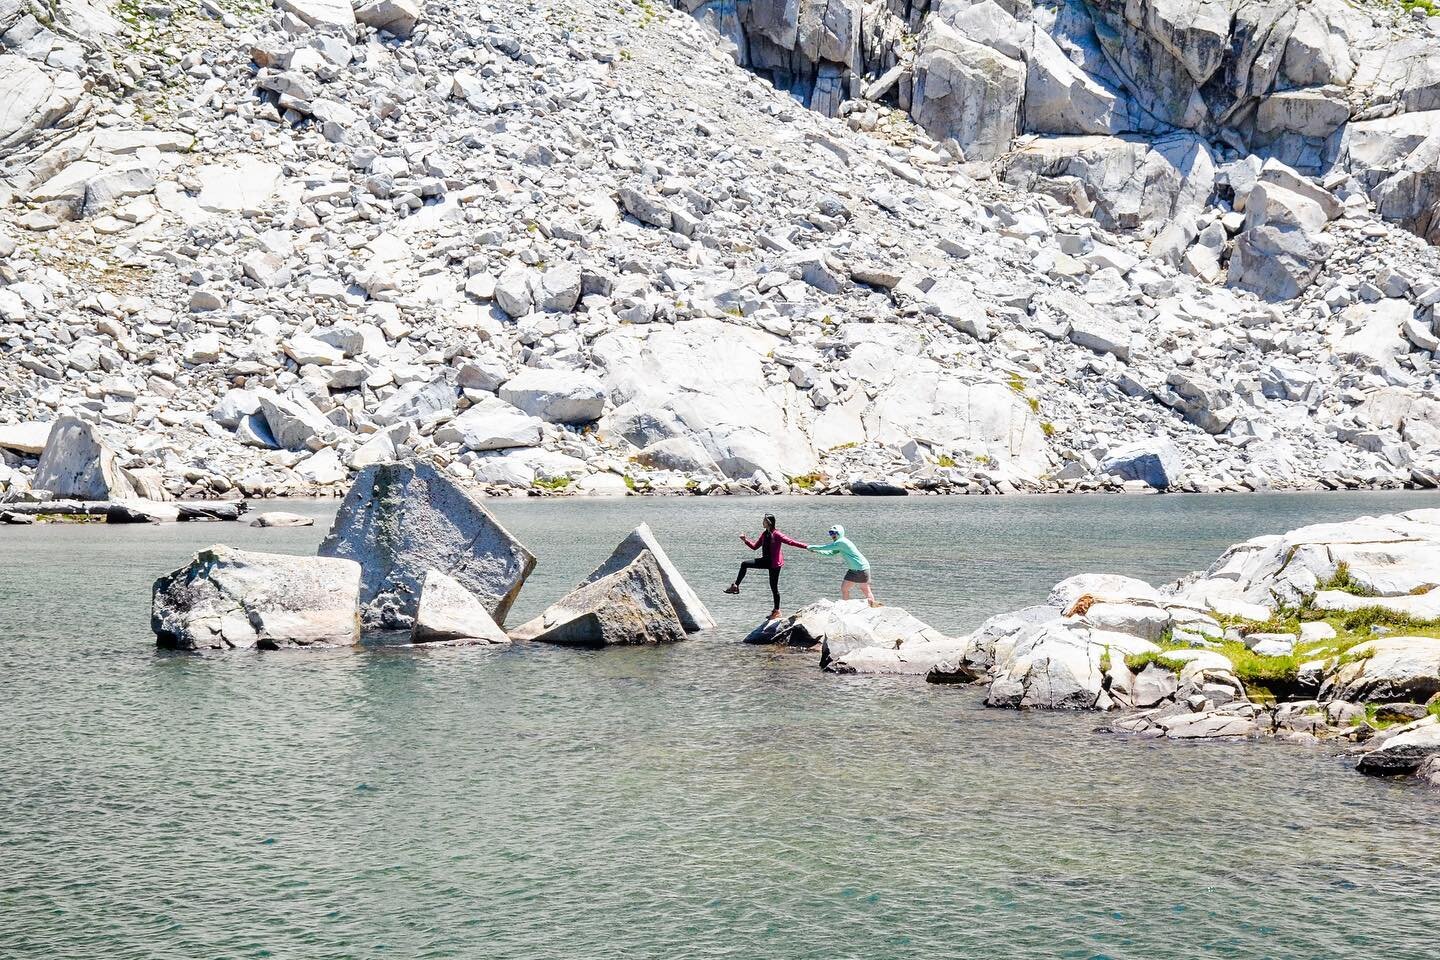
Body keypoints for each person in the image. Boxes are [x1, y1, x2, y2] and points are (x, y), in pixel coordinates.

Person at [725, 514, 807, 620]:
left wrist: (806, 546)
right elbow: (755, 547)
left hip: (774, 564)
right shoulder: (765, 534)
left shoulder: (777, 534)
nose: (762, 522)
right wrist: (745, 540)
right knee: (744, 564)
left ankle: (777, 611)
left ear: (769, 522)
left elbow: (791, 542)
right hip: (765, 561)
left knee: (774, 587)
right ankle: (735, 586)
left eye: (764, 520)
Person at [808, 524, 880, 607]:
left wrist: (811, 547)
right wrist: (816, 551)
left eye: (834, 533)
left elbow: (825, 547)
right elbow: (830, 553)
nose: (832, 535)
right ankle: (846, 606)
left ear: (840, 533)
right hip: (852, 569)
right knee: (844, 588)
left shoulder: (842, 542)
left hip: (862, 568)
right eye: (830, 533)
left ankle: (873, 606)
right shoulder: (838, 543)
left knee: (865, 589)